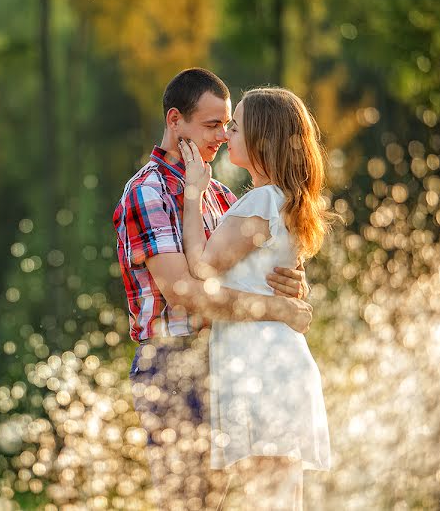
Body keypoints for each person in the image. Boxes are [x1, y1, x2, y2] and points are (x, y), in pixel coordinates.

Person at [112, 69, 313, 510]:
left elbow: (256, 266)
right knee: (188, 502)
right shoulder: (147, 193)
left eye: (227, 125)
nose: (222, 136)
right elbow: (184, 290)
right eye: (211, 125)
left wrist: (294, 284)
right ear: (174, 121)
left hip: (230, 357)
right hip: (174, 363)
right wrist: (276, 310)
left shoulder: (219, 195)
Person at [177, 86, 336, 509]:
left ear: (262, 140)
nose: (227, 133)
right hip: (273, 364)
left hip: (262, 370)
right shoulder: (283, 201)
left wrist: (194, 192)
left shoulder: (263, 201)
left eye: (237, 127)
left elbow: (202, 266)